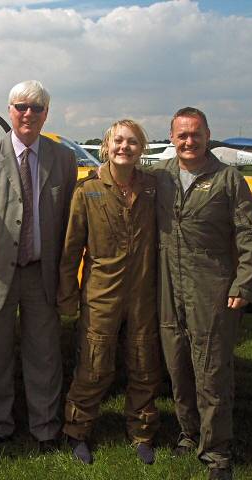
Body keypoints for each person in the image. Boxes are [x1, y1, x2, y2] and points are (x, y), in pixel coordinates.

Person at [0, 80, 77, 450]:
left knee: (45, 355)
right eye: (21, 106)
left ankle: (45, 428)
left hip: (42, 274)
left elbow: (72, 222)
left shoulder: (63, 158)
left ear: (45, 114)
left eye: (36, 108)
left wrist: (66, 278)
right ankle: (0, 426)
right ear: (10, 110)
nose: (28, 114)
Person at [152, 108, 252, 480]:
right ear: (172, 138)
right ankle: (188, 432)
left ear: (207, 136)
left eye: (195, 134)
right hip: (168, 284)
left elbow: (249, 234)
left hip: (211, 286)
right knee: (177, 366)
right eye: (182, 135)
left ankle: (217, 453)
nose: (188, 141)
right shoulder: (160, 176)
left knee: (212, 371)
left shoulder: (228, 179)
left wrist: (244, 282)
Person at [57, 119, 161, 465]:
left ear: (141, 149)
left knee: (144, 365)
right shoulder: (87, 191)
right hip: (102, 294)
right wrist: (68, 295)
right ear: (107, 145)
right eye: (118, 141)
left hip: (143, 294)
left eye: (132, 142)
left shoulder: (152, 189)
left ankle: (142, 432)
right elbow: (71, 251)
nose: (124, 147)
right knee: (93, 366)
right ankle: (77, 431)